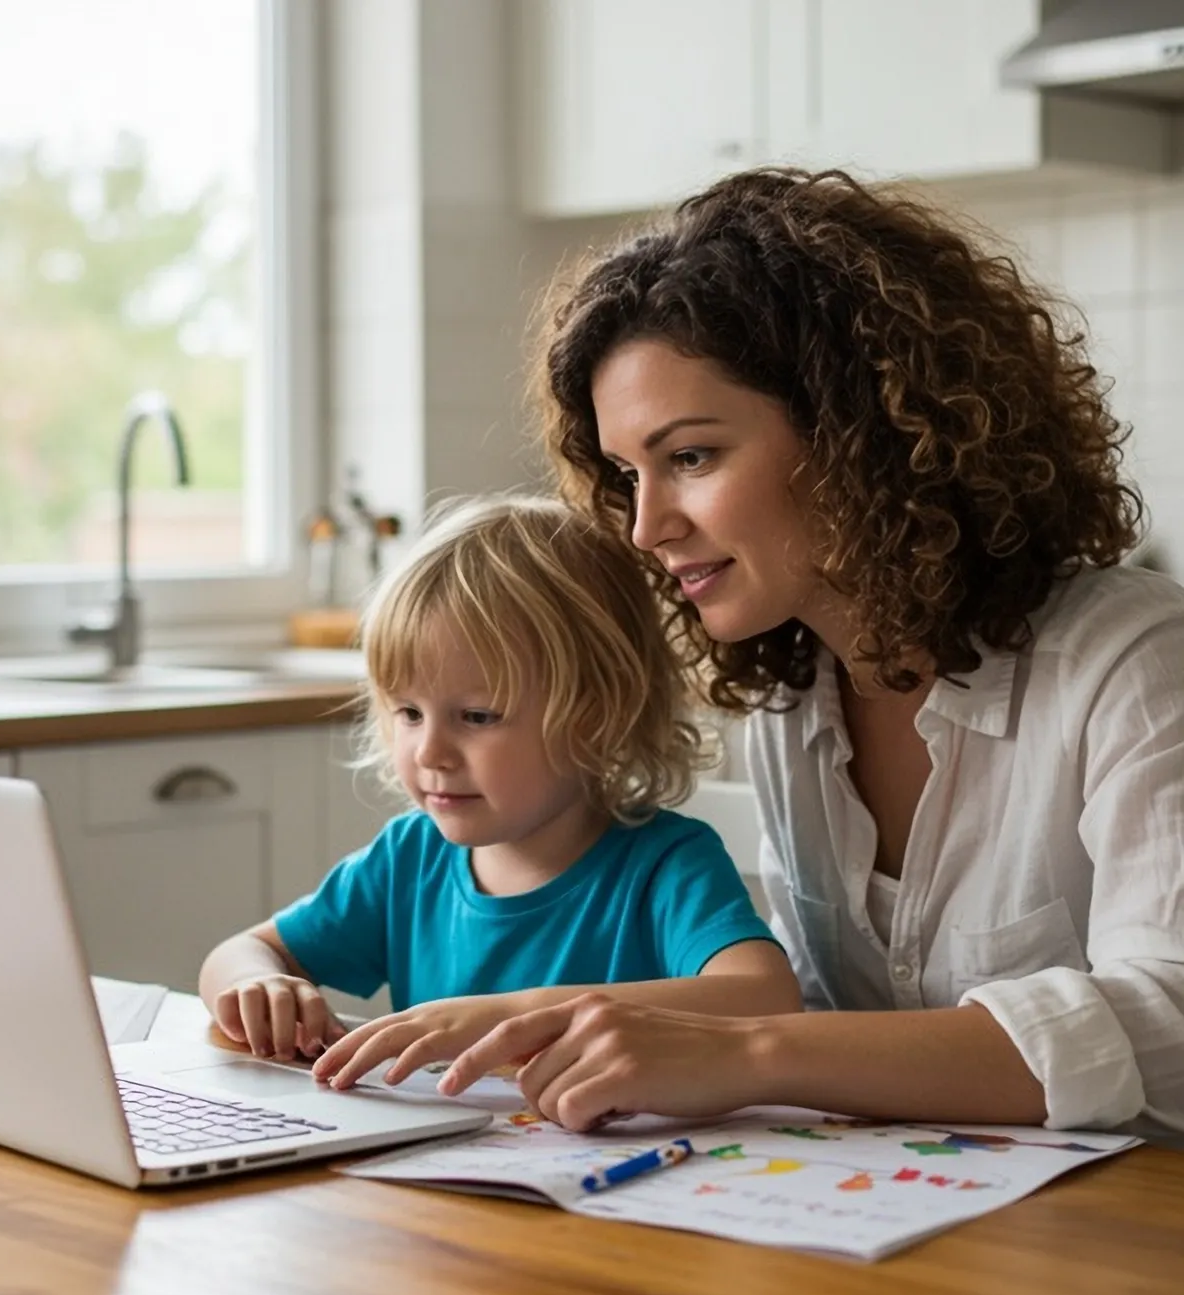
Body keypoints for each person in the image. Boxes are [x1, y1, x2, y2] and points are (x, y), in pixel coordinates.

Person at [433, 167, 1184, 1136]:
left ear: (861, 432)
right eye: (628, 473)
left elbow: (1171, 1017)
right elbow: (836, 1023)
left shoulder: (1133, 660)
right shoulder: (793, 697)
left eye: (691, 457)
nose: (645, 525)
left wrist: (744, 1053)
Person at [197, 495, 801, 1082]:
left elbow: (765, 997)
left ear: (599, 715)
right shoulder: (409, 858)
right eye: (408, 713)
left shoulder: (666, 866)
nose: (430, 752)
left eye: (478, 717)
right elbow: (237, 954)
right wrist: (261, 985)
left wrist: (511, 1016)